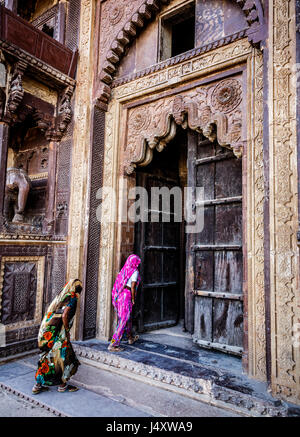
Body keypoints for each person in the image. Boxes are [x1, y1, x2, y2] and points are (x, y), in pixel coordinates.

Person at [32, 279, 82, 394]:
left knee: (46, 356)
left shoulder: (62, 296)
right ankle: (62, 385)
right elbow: (65, 314)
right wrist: (67, 329)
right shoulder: (72, 298)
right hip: (59, 332)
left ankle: (37, 385)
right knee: (62, 356)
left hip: (49, 331)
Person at [108, 254, 141, 352]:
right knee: (123, 320)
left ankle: (130, 337)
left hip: (120, 296)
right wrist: (133, 299)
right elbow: (133, 287)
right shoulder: (134, 272)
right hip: (126, 296)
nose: (137, 264)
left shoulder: (124, 270)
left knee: (127, 317)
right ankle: (113, 344)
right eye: (137, 262)